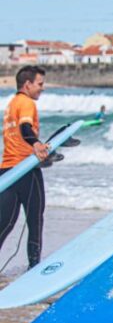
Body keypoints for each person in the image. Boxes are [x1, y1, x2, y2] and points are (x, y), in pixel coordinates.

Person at [0, 66, 51, 268]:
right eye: (40, 84)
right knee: (35, 219)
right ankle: (34, 267)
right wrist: (37, 144)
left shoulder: (12, 104)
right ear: (27, 84)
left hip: (7, 170)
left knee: (5, 224)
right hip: (26, 170)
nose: (42, 88)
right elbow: (25, 128)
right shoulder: (27, 103)